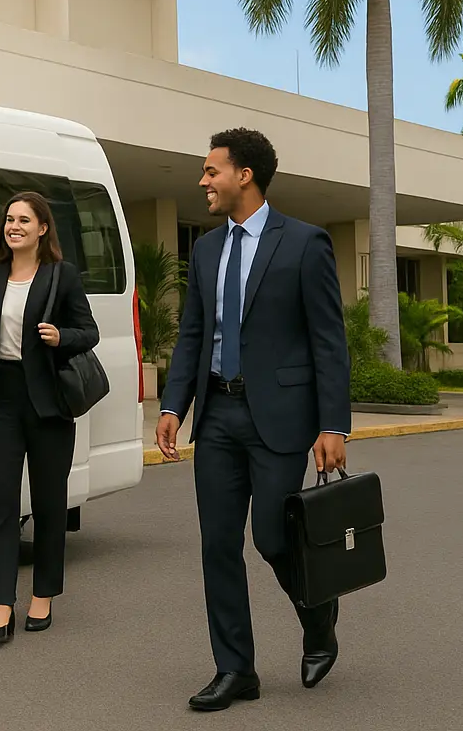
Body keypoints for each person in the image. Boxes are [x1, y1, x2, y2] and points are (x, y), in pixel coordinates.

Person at [156, 128, 350, 712]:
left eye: (211, 170)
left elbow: (328, 342)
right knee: (217, 544)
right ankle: (235, 669)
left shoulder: (305, 243)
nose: (203, 181)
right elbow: (193, 333)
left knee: (271, 536)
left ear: (244, 174)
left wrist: (333, 424)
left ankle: (319, 620)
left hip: (282, 417)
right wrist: (172, 405)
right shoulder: (208, 250)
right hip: (217, 413)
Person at [0, 191, 98, 644]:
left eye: (24, 219)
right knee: (1, 506)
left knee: (47, 505)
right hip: (1, 398)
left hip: (49, 403)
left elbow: (90, 331)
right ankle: (0, 606)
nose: (14, 226)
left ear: (43, 228)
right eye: (9, 219)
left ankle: (43, 595)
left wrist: (62, 336)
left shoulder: (62, 276)